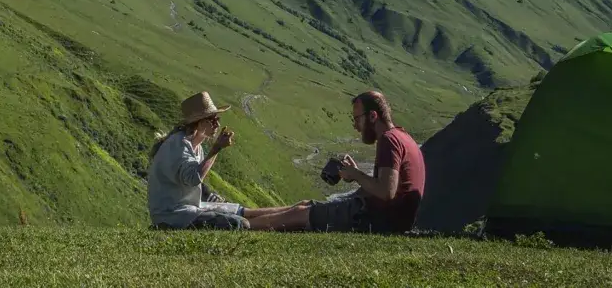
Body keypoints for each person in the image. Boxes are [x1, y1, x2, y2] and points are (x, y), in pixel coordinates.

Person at [250, 90, 426, 233]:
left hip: (377, 221)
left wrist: (357, 175)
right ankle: (243, 213)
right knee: (305, 205)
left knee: (301, 214)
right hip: (392, 220)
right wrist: (355, 174)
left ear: (373, 116)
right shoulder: (403, 136)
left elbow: (387, 192)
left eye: (357, 119)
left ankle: (240, 224)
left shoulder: (389, 140)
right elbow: (388, 188)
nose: (355, 126)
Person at [147, 90, 252, 229]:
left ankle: (283, 216)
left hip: (186, 209)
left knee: (238, 211)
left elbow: (191, 182)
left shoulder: (196, 147)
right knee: (239, 223)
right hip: (172, 215)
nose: (217, 124)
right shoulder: (179, 144)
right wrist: (216, 148)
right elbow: (193, 178)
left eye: (217, 119)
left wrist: (210, 196)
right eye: (212, 120)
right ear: (199, 123)